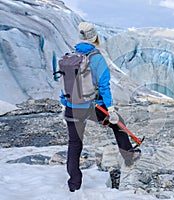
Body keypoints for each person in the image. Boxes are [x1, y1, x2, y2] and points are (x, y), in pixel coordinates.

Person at [59, 22, 141, 192]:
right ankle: (129, 155)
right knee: (118, 124)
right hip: (92, 107)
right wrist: (110, 110)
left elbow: (64, 86)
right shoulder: (96, 58)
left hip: (72, 107)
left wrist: (65, 103)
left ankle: (74, 185)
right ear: (94, 37)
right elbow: (104, 87)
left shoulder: (70, 58)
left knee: (74, 144)